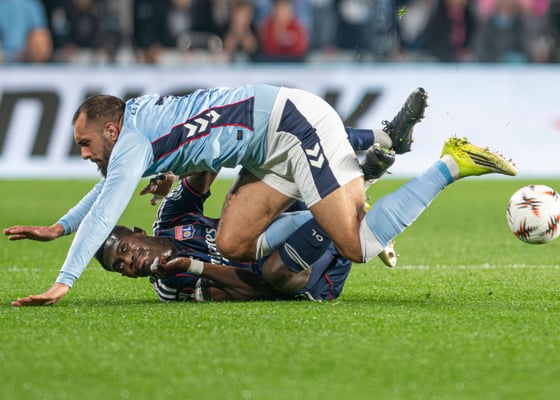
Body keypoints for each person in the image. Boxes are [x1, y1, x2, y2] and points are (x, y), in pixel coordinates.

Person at [4, 85, 517, 307]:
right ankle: (372, 158)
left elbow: (106, 211)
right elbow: (104, 192)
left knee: (357, 244)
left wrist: (64, 281)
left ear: (112, 130)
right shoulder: (137, 123)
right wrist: (59, 227)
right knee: (233, 240)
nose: (84, 154)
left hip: (291, 128)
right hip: (270, 145)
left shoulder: (132, 146)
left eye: (86, 144)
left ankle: (451, 163)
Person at [95, 171, 358, 302]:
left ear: (139, 233)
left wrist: (173, 172)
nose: (129, 261)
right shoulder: (171, 286)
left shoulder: (170, 218)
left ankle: (350, 158)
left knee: (261, 163)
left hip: (287, 226)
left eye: (125, 249)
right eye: (120, 266)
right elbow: (259, 290)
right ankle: (345, 211)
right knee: (274, 272)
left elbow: (208, 166)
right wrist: (191, 266)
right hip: (308, 275)